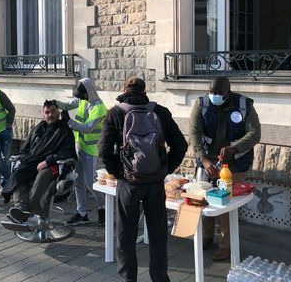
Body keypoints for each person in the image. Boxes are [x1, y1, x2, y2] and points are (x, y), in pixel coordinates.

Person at [99, 77, 188, 282]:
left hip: (128, 183)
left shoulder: (115, 113)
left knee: (126, 236)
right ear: (144, 91)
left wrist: (118, 172)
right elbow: (180, 145)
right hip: (155, 183)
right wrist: (164, 169)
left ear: (124, 90)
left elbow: (103, 151)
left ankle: (129, 278)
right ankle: (159, 278)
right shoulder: (160, 112)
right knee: (158, 236)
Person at [188, 76, 261, 261]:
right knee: (203, 199)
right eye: (211, 92)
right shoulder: (201, 104)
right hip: (207, 160)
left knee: (225, 202)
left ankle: (225, 246)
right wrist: (203, 158)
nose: (214, 96)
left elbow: (254, 133)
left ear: (228, 92)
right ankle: (205, 237)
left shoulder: (243, 105)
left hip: (235, 162)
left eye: (218, 93)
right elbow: (194, 132)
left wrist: (235, 148)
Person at [2, 100, 76, 223]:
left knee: (41, 177)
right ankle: (21, 208)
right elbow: (25, 148)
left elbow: (66, 152)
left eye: (53, 111)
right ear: (43, 115)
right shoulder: (38, 128)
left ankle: (31, 210)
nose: (50, 115)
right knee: (18, 175)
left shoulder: (65, 131)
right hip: (32, 162)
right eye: (47, 112)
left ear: (58, 112)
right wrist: (25, 159)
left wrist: (47, 161)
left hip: (53, 165)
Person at [55, 78, 107, 226]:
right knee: (77, 180)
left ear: (88, 93)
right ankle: (82, 213)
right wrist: (55, 103)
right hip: (79, 146)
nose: (79, 98)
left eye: (81, 95)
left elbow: (88, 128)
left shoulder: (99, 109)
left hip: (91, 150)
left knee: (91, 183)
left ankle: (103, 207)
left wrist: (69, 122)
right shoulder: (82, 99)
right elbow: (67, 105)